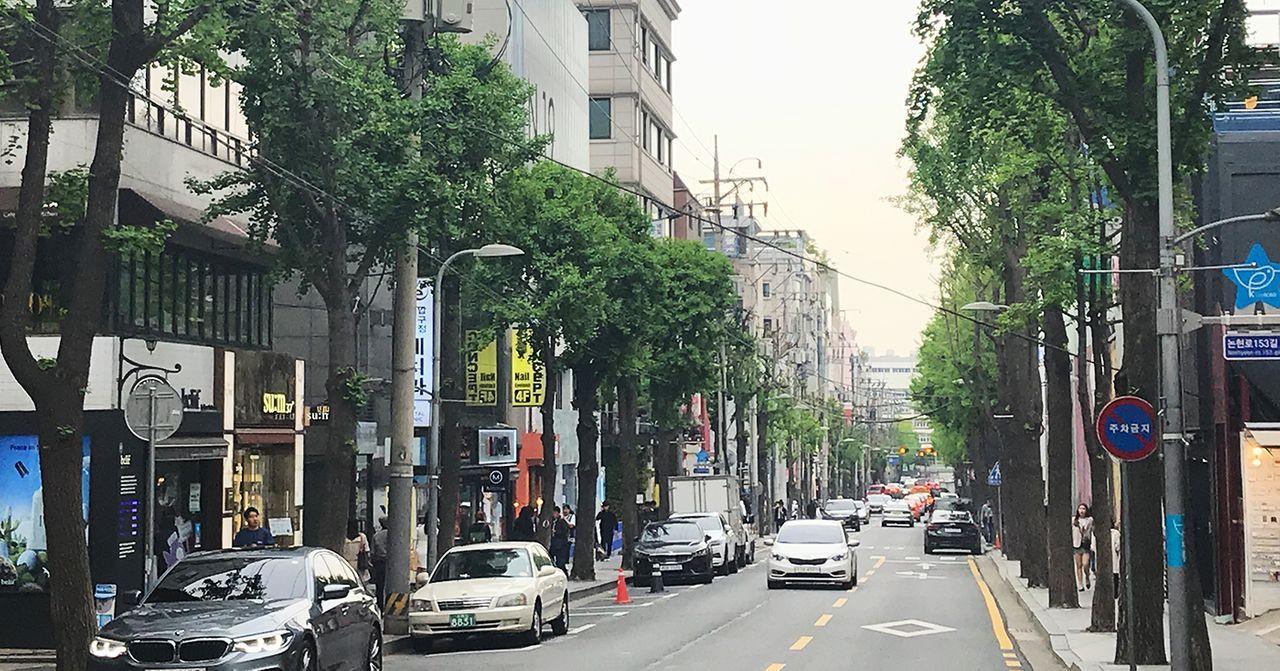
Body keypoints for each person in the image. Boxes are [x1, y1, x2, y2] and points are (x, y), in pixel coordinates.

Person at [1072, 503, 1094, 591]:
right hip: (1077, 544)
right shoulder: (1074, 520)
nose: (1081, 510)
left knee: (1085, 564)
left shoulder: (1090, 520)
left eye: (1083, 509)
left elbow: (1092, 530)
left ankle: (1087, 577)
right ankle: (1080, 584)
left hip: (1086, 545)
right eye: (1080, 508)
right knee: (1079, 565)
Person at [371, 516, 388, 605]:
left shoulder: (376, 536)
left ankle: (380, 605)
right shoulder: (393, 535)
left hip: (379, 563)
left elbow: (373, 552)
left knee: (380, 586)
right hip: (391, 563)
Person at [548, 506, 571, 572]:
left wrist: (556, 532)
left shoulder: (562, 521)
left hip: (561, 544)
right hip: (554, 543)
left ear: (557, 513)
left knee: (560, 563)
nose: (553, 514)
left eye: (555, 513)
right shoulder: (552, 521)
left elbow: (564, 532)